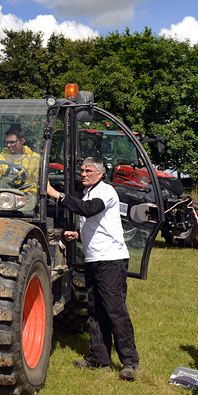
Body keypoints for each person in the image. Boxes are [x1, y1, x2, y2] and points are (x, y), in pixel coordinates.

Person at [58, 157, 141, 380]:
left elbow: (88, 210)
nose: (84, 174)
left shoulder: (105, 191)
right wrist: (78, 235)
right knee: (95, 310)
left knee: (114, 309)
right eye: (82, 170)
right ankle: (99, 359)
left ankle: (131, 362)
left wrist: (58, 195)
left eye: (89, 171)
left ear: (100, 174)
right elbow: (97, 223)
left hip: (111, 260)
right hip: (94, 259)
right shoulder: (89, 192)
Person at [0, 125, 42, 194]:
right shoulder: (1, 158)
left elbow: (40, 184)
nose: (9, 145)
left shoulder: (35, 159)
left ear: (22, 141)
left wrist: (30, 193)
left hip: (28, 198)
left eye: (12, 142)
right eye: (7, 142)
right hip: (6, 197)